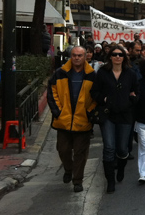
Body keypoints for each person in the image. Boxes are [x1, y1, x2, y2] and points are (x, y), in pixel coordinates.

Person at [47, 46, 97, 193]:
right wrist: (58, 112)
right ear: (71, 56)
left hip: (83, 121)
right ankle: (68, 169)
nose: (76, 58)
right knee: (63, 150)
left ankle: (77, 180)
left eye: (80, 55)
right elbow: (52, 92)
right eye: (74, 55)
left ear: (85, 56)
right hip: (64, 120)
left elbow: (97, 96)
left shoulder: (92, 75)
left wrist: (89, 113)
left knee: (81, 153)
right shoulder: (60, 73)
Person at [91, 44, 139, 194]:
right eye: (115, 54)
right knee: (109, 147)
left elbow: (137, 92)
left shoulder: (130, 73)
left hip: (125, 115)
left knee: (122, 149)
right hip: (108, 115)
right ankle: (110, 180)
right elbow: (94, 92)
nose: (118, 57)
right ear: (110, 57)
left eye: (121, 55)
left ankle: (121, 168)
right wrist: (104, 99)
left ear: (124, 58)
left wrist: (130, 101)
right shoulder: (103, 73)